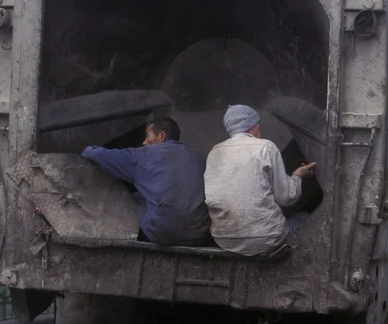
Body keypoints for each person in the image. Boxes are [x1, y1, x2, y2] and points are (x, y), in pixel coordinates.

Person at [204, 105, 317, 256]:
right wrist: (297, 176)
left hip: (224, 240)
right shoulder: (266, 147)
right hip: (267, 238)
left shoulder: (214, 152)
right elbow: (287, 197)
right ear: (255, 125)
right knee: (304, 217)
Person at [81, 117, 211, 246]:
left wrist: (86, 150)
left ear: (161, 136)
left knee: (131, 198)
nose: (144, 142)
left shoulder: (146, 155)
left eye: (148, 135)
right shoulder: (199, 157)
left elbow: (101, 156)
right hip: (198, 234)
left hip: (162, 233)